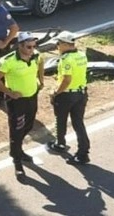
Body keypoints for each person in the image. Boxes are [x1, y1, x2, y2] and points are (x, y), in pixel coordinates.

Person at [0, 32, 45, 177]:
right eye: (28, 46)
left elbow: (40, 64)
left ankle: (17, 150)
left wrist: (41, 80)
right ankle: (17, 160)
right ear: (19, 46)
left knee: (29, 125)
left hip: (32, 97)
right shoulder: (8, 61)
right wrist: (9, 92)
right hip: (17, 102)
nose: (32, 49)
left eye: (34, 46)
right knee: (17, 130)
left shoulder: (36, 55)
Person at [46, 31, 91, 165]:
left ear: (66, 44)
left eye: (59, 43)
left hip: (66, 95)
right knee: (78, 123)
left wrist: (55, 92)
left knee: (61, 119)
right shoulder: (82, 55)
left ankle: (60, 144)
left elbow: (66, 80)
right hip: (81, 93)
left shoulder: (66, 60)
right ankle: (83, 152)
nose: (57, 46)